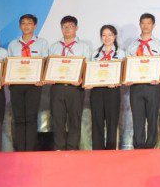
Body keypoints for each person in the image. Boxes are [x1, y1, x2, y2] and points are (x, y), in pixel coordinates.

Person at [125, 13, 160, 150]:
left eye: (148, 23)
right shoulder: (132, 45)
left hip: (153, 86)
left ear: (153, 25)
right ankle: (138, 146)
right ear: (140, 24)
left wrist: (159, 77)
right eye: (143, 23)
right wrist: (127, 78)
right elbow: (127, 65)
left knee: (152, 116)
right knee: (137, 117)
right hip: (135, 86)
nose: (145, 26)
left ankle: (150, 145)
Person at [7, 14, 48, 152]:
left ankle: (30, 150)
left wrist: (42, 78)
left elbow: (45, 63)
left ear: (35, 26)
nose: (26, 26)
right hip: (16, 86)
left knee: (31, 118)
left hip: (34, 85)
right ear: (20, 26)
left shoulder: (42, 43)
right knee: (18, 118)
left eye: (29, 23)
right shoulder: (13, 44)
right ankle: (20, 149)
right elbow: (9, 65)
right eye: (23, 23)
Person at [49, 15, 91, 150]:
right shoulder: (54, 47)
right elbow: (49, 67)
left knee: (75, 120)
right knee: (57, 120)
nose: (67, 29)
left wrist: (82, 79)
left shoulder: (84, 47)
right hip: (57, 87)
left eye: (70, 26)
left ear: (76, 28)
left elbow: (87, 67)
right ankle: (59, 148)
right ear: (61, 28)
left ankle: (72, 148)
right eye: (64, 27)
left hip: (75, 88)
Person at [87, 25, 123, 150]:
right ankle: (98, 151)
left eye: (110, 35)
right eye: (104, 35)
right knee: (97, 121)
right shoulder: (95, 53)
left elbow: (124, 72)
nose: (107, 38)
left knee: (112, 122)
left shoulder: (121, 53)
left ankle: (111, 151)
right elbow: (90, 71)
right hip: (96, 90)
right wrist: (88, 81)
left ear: (115, 36)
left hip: (112, 90)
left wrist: (118, 81)